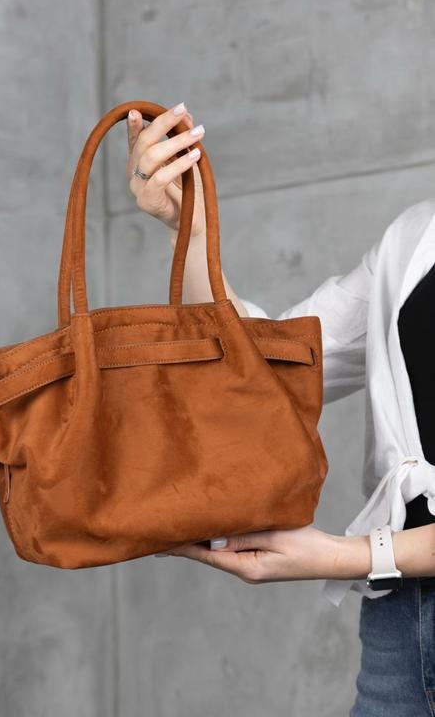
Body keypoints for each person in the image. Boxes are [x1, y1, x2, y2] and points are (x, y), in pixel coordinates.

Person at [125, 101, 435, 717]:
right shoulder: (416, 238)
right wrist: (192, 230)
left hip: (386, 574)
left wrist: (349, 555)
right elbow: (266, 371)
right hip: (402, 623)